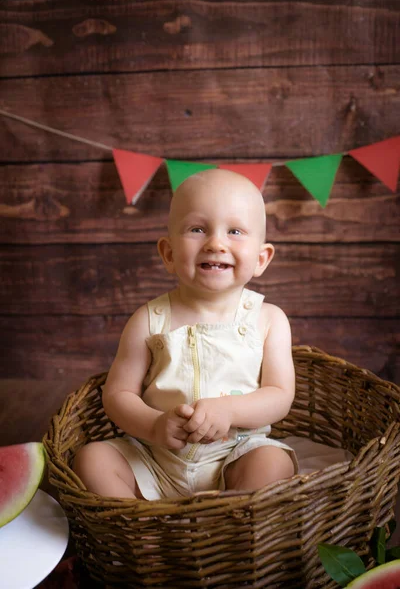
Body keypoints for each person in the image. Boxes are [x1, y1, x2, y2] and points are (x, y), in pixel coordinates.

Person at [73, 168, 297, 499]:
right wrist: (153, 425)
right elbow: (117, 394)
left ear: (261, 258)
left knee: (274, 463)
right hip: (154, 457)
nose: (216, 243)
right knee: (91, 458)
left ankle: (229, 519)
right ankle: (142, 532)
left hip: (234, 456)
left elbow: (280, 394)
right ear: (168, 253)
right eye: (197, 229)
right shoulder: (148, 319)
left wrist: (230, 411)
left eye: (235, 231)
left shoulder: (268, 320)